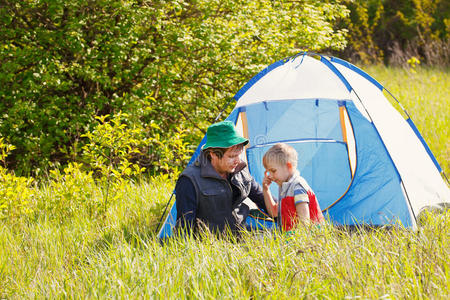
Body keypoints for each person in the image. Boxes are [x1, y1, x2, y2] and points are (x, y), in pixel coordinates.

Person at [175, 121, 268, 235]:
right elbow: (184, 229)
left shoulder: (239, 169)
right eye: (232, 156)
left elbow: (263, 198)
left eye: (238, 155)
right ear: (213, 154)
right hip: (211, 244)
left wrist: (287, 216)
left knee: (275, 239)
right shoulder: (189, 180)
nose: (238, 160)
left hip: (242, 234)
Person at [262, 143, 324, 232]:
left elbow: (304, 221)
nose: (270, 176)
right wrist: (266, 189)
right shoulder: (284, 187)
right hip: (293, 235)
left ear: (289, 167)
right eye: (268, 172)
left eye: (273, 171)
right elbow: (274, 213)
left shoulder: (298, 186)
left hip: (312, 235)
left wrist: (295, 242)